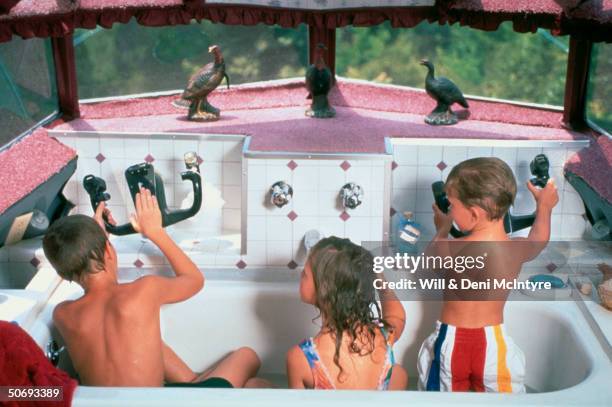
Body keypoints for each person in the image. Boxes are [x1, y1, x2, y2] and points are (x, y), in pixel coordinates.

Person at [43, 187, 261, 388]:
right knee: (249, 362)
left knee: (140, 334)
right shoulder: (143, 291)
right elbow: (194, 280)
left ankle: (194, 383)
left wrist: (93, 243)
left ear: (62, 273)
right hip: (155, 401)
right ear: (109, 251)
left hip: (109, 402)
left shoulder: (63, 315)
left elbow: (107, 317)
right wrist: (155, 231)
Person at [417, 157, 559, 393]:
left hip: (453, 343)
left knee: (442, 399)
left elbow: (429, 262)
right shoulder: (515, 249)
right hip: (494, 342)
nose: (449, 210)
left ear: (473, 214)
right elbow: (538, 240)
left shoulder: (455, 248)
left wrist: (442, 231)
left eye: (452, 205)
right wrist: (543, 208)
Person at [286, 237, 408, 390]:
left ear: (324, 291)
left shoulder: (301, 358)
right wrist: (379, 279)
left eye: (305, 273)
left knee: (257, 384)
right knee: (399, 373)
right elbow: (397, 315)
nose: (301, 275)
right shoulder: (384, 337)